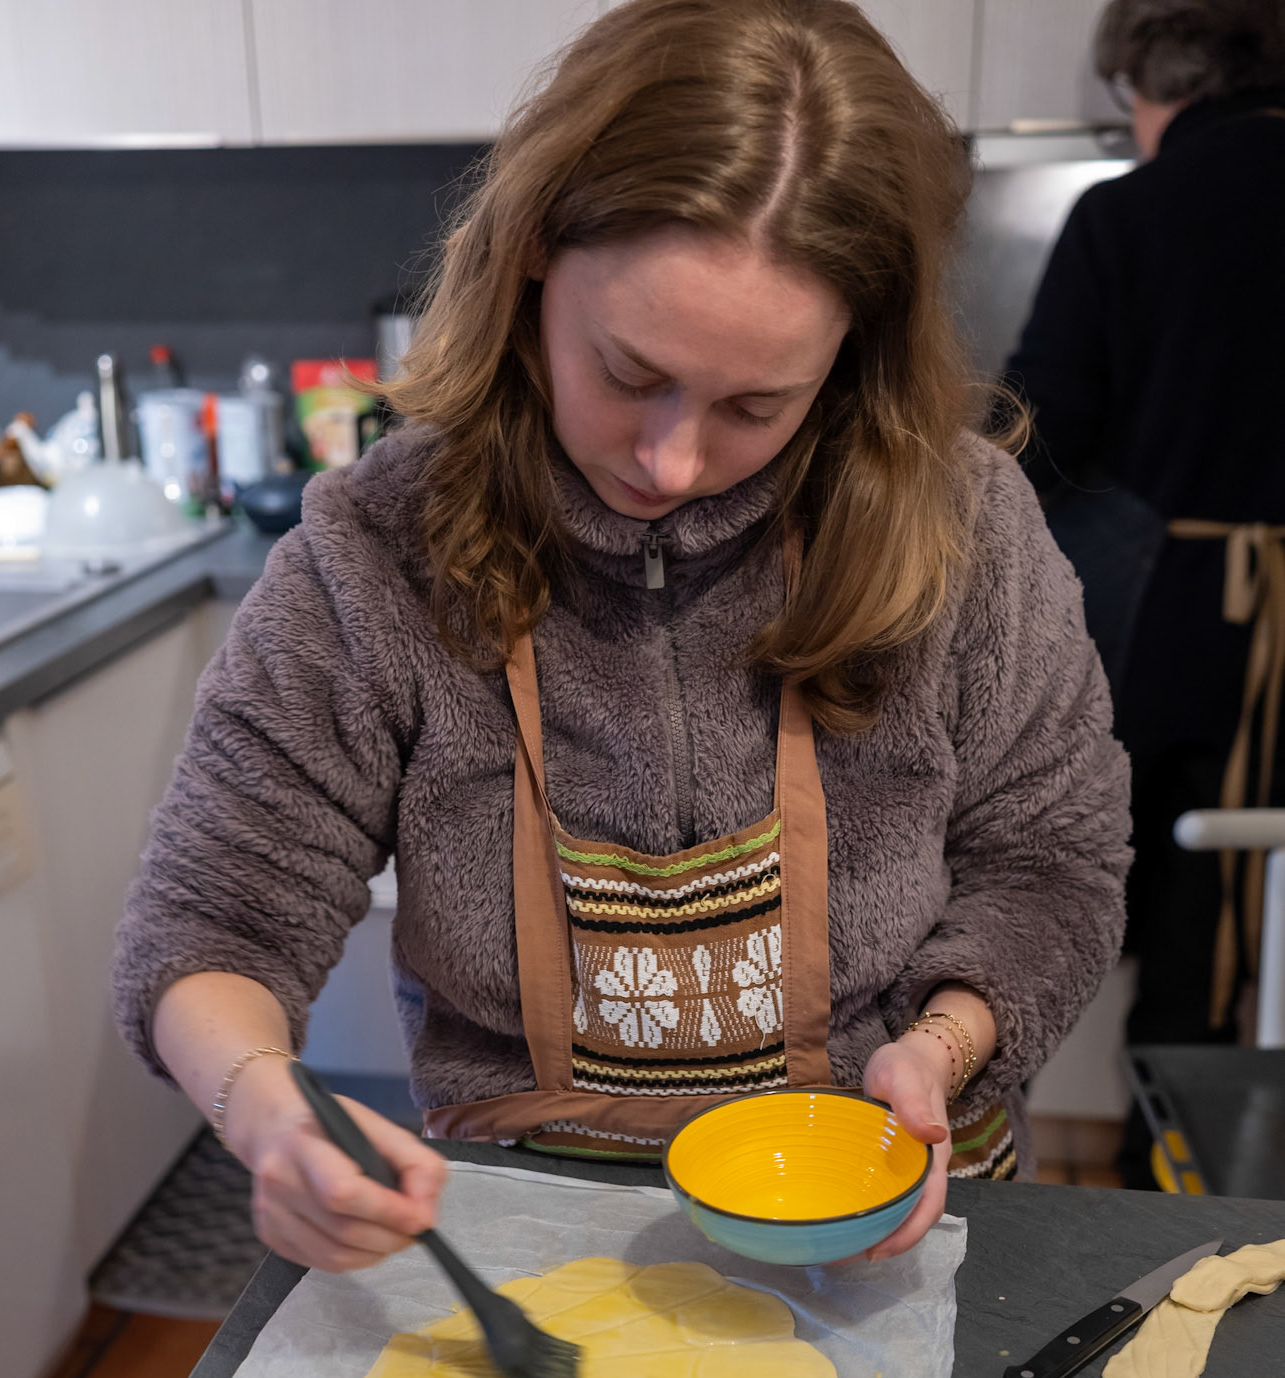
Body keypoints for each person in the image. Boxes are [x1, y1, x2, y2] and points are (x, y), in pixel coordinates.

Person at [113, 0, 1129, 1278]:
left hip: (883, 1218)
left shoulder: (962, 529)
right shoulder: (375, 553)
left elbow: (1052, 862)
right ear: (534, 252)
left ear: (851, 354)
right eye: (630, 373)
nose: (671, 461)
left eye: (755, 404)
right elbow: (206, 926)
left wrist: (943, 1045)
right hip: (528, 1238)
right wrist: (267, 1110)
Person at [1003, 0, 1285, 1078]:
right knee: (1232, 908)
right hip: (1239, 627)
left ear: (1160, 78)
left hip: (1187, 615)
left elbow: (1040, 431)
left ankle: (1168, 1176)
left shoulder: (1129, 214)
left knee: (1177, 911)